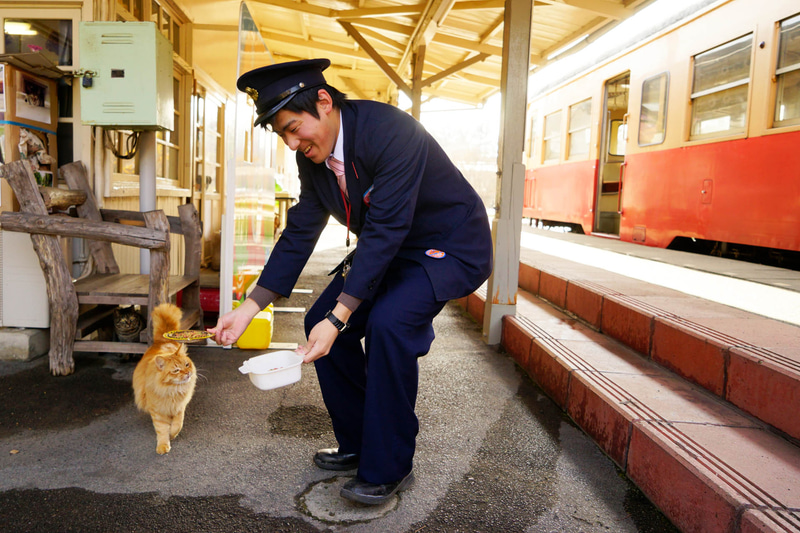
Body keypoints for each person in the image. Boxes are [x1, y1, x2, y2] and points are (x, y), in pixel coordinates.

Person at [209, 58, 493, 505]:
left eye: (293, 127)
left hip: (448, 245)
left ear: (323, 101)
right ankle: (360, 441)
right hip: (394, 247)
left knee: (389, 325)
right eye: (281, 133)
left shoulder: (391, 131)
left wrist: (343, 316)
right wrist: (250, 307)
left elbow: (384, 230)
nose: (291, 142)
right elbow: (303, 226)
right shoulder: (314, 156)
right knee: (318, 319)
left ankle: (389, 466)